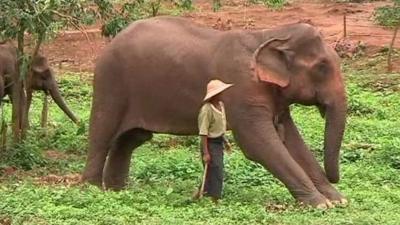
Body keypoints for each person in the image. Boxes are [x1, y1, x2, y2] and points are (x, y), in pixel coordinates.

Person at [193, 79, 233, 203]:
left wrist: (225, 141)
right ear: (215, 94)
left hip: (218, 141)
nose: (223, 94)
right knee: (216, 170)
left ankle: (199, 193)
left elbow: (220, 127)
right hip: (209, 143)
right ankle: (215, 199)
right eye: (221, 92)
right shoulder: (207, 109)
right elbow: (203, 133)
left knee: (213, 170)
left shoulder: (221, 106)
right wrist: (206, 153)